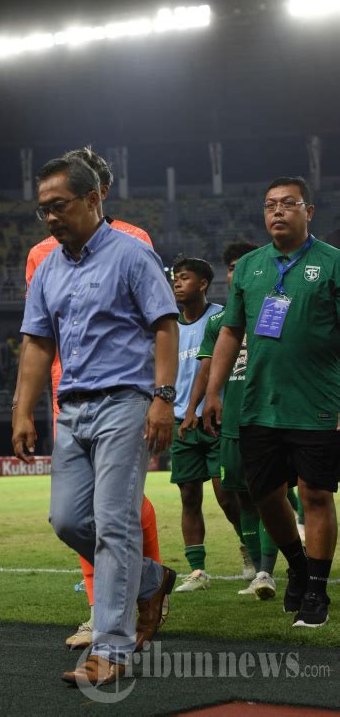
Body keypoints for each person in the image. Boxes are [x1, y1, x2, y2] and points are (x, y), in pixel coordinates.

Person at [12, 156, 179, 686]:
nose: (51, 218)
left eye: (59, 207)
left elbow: (165, 325)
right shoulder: (49, 266)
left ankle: (111, 649)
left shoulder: (133, 254)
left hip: (125, 403)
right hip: (72, 409)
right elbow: (37, 343)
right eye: (43, 211)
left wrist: (162, 398)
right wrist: (22, 409)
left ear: (92, 199)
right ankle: (150, 579)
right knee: (67, 521)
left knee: (114, 525)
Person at [203, 176, 340, 627]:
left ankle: (316, 591)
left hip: (318, 402)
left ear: (308, 211)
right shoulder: (250, 267)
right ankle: (298, 568)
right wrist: (213, 391)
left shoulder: (333, 264)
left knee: (316, 494)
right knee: (264, 496)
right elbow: (230, 332)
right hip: (260, 404)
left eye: (287, 204)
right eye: (269, 205)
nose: (277, 211)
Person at [183, 241, 280, 599]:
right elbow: (209, 370)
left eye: (244, 265)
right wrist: (206, 402)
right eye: (232, 267)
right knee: (239, 498)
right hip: (232, 423)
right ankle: (260, 569)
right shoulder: (220, 322)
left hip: (271, 417)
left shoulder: (273, 310)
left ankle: (272, 569)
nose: (236, 273)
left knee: (273, 494)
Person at [170, 256, 247, 592]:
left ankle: (249, 550)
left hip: (215, 419)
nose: (177, 283)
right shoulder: (168, 326)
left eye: (184, 278)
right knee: (189, 495)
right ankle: (198, 571)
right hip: (180, 422)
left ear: (202, 284)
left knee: (227, 496)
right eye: (175, 278)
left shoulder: (220, 319)